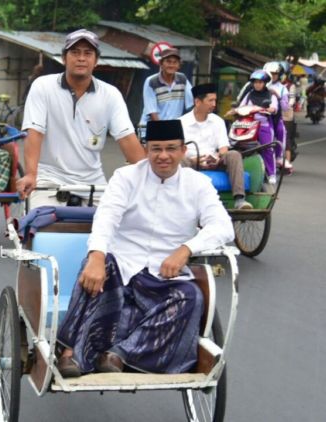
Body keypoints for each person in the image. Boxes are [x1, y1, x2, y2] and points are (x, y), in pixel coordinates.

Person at [55, 119, 234, 378]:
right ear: (146, 149)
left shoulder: (199, 184)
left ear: (183, 150)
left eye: (171, 148)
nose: (163, 156)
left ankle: (121, 353)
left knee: (192, 297)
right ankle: (74, 353)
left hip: (164, 276)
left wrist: (186, 249)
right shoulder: (126, 177)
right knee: (96, 267)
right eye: (156, 148)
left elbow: (223, 227)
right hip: (122, 266)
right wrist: (96, 255)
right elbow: (107, 217)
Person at [16, 29, 144, 208]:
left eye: (88, 53)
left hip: (93, 180)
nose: (81, 58)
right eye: (75, 52)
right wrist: (31, 174)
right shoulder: (43, 86)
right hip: (49, 178)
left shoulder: (110, 94)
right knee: (40, 228)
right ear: (64, 58)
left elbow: (127, 139)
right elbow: (35, 133)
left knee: (119, 225)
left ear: (96, 60)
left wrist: (149, 176)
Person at [180, 83, 252, 210]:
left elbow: (223, 148)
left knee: (234, 154)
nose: (214, 104)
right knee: (179, 159)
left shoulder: (218, 121)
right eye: (210, 100)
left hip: (214, 161)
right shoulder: (181, 122)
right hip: (191, 163)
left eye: (215, 100)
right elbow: (178, 151)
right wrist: (194, 160)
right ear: (197, 102)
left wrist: (217, 158)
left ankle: (240, 200)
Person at [233, 70, 278, 185]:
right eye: (255, 82)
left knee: (267, 148)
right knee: (238, 145)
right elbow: (241, 106)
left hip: (263, 125)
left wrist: (270, 109)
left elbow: (274, 108)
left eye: (260, 82)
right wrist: (234, 110)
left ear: (265, 83)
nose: (257, 84)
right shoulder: (249, 94)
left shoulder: (271, 95)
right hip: (248, 124)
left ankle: (272, 173)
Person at [139, 48, 194, 139]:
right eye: (168, 62)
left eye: (175, 62)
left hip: (172, 130)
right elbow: (152, 112)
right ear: (161, 63)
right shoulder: (151, 81)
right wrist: (163, 132)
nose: (171, 65)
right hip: (150, 129)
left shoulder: (182, 79)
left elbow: (193, 103)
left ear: (179, 65)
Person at [264, 62, 292, 173]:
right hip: (259, 116)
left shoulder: (283, 89)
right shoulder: (260, 84)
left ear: (279, 74)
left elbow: (285, 107)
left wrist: (278, 96)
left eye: (275, 73)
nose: (273, 75)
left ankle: (279, 156)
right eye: (271, 73)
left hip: (274, 118)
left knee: (281, 131)